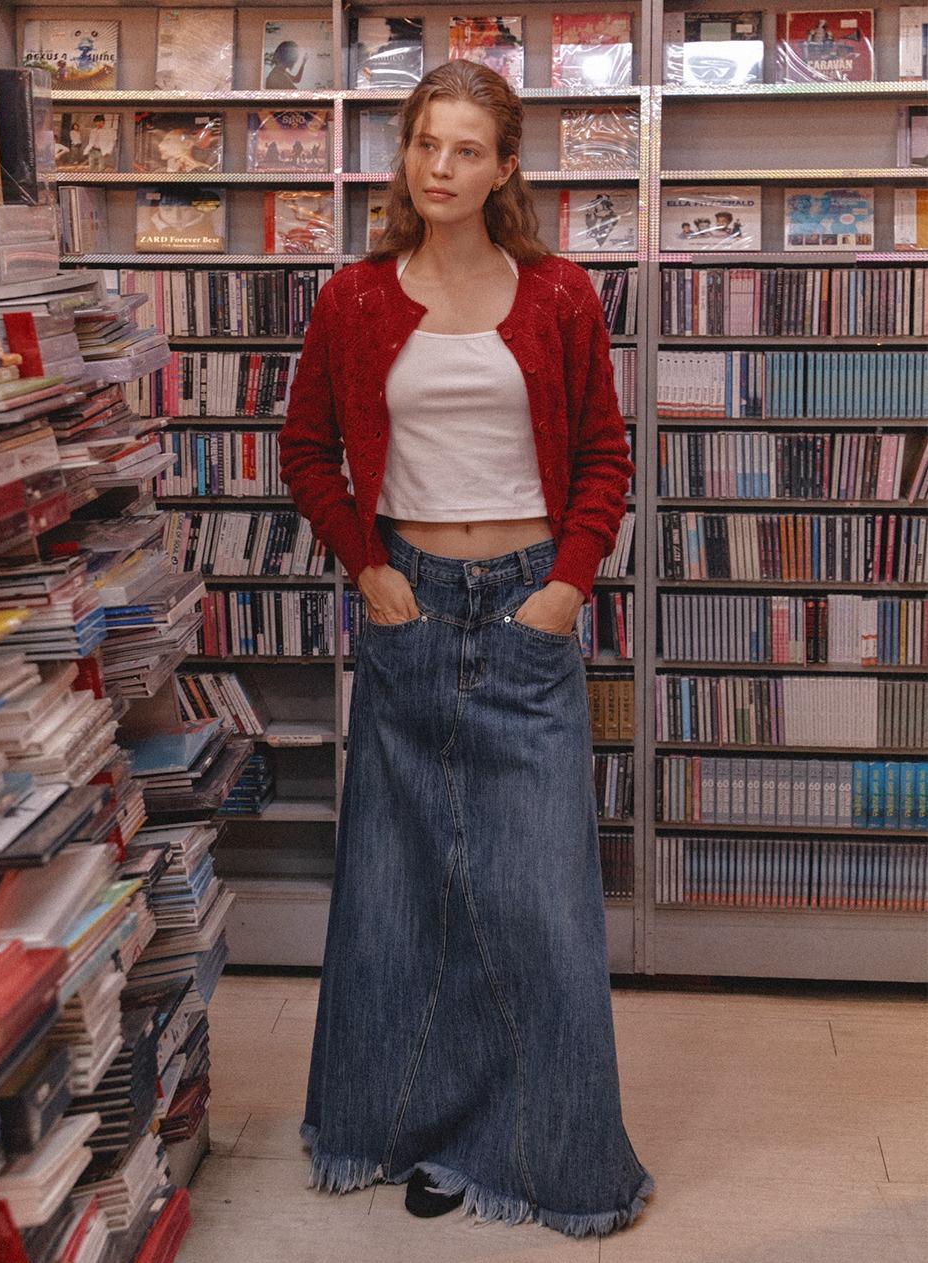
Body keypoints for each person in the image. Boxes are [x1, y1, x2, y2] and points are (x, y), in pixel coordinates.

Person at [277, 58, 654, 1240]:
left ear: (505, 170)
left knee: (539, 901)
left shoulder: (558, 296)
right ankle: (413, 1132)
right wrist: (367, 565)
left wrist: (565, 588)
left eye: (466, 150)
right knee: (406, 897)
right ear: (402, 153)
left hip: (525, 605)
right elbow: (303, 451)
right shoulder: (349, 299)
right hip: (410, 606)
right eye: (423, 144)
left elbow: (604, 455)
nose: (440, 169)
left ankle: (536, 1150)